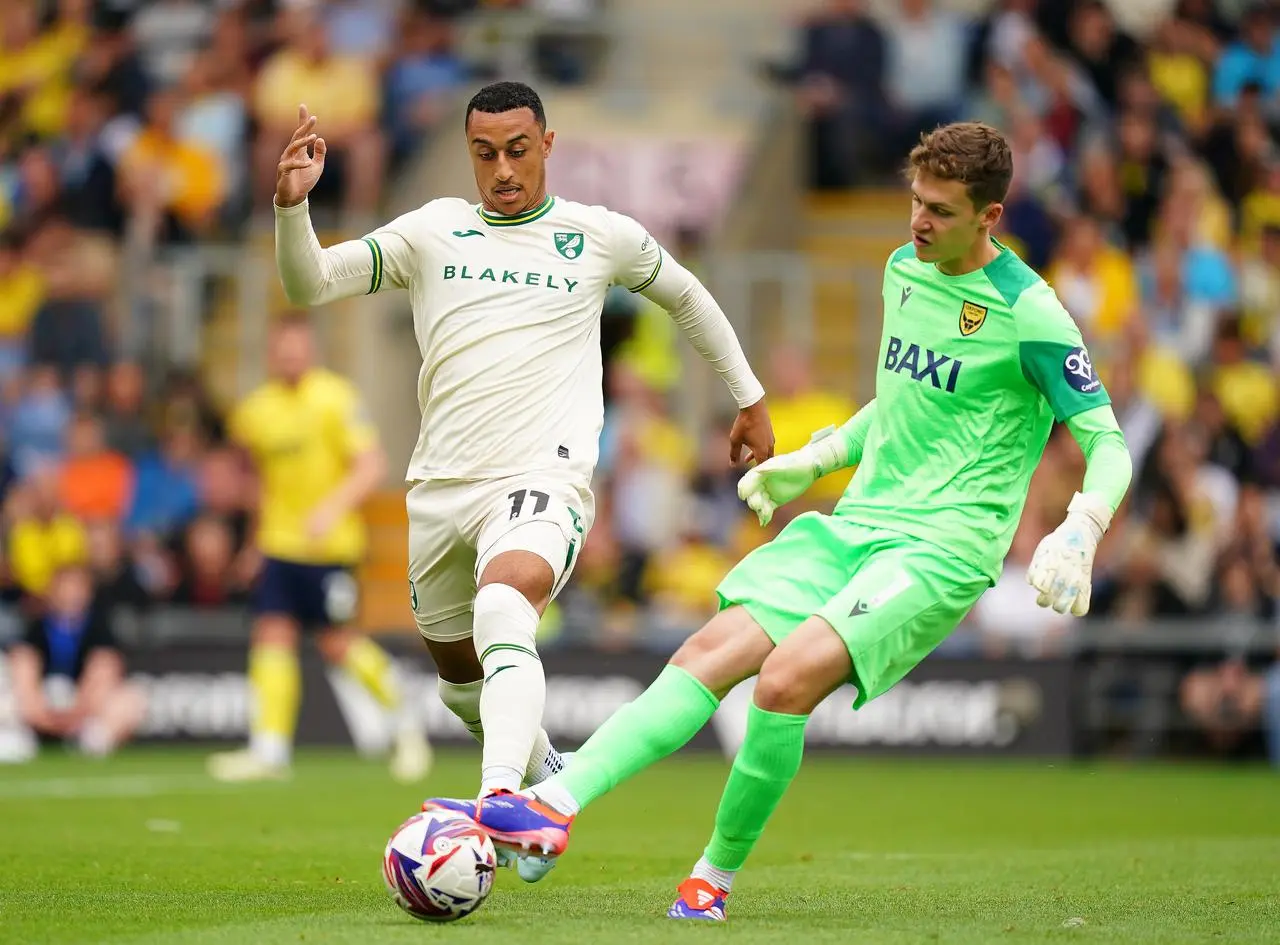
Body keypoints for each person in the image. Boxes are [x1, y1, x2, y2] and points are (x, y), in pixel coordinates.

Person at [422, 122, 1134, 919]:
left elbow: (1107, 440)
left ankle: (711, 879)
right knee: (709, 648)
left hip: (943, 547)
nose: (917, 222)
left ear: (989, 217)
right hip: (860, 521)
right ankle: (555, 804)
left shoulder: (1032, 314)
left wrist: (1083, 524)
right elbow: (898, 407)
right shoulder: (906, 269)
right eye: (913, 201)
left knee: (786, 675)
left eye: (938, 209)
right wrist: (812, 459)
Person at [270, 81, 774, 881]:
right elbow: (309, 285)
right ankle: (545, 779)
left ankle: (498, 801)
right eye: (484, 153)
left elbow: (686, 293)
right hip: (439, 489)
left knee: (504, 605)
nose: (502, 169)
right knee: (460, 684)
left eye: (516, 149)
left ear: (547, 142)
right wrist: (293, 209)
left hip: (545, 478)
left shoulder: (596, 235)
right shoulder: (432, 231)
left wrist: (748, 397)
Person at [207, 316, 432, 784]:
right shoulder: (256, 411)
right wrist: (253, 544)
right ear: (271, 352)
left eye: (297, 347)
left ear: (310, 350)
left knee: (338, 643)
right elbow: (259, 485)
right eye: (281, 348)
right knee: (272, 637)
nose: (289, 356)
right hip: (278, 545)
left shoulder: (336, 399)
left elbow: (372, 467)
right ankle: (269, 750)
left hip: (330, 547)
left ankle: (407, 727)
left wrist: (331, 508)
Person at [1, 564, 146, 762]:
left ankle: (89, 742)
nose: (70, 595)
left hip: (83, 712)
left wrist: (75, 715)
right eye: (64, 588)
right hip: (40, 710)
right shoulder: (35, 626)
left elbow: (103, 674)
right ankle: (23, 740)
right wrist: (43, 717)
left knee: (131, 699)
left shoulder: (99, 628)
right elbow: (24, 673)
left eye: (76, 589)